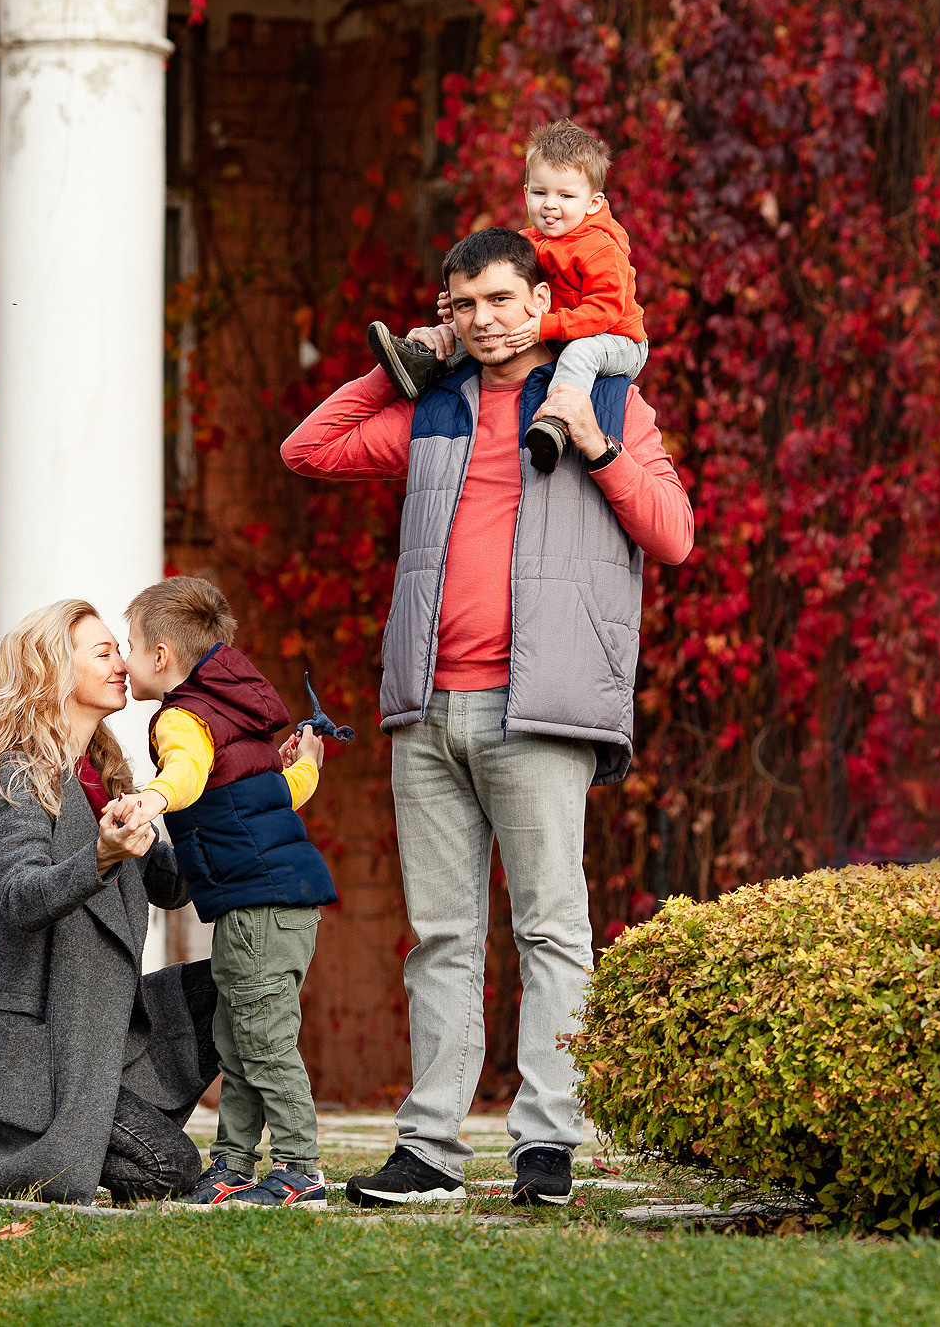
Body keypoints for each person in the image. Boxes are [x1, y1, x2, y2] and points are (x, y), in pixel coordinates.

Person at [283, 227, 694, 1208]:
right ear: (445, 315)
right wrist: (398, 369)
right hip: (427, 712)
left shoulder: (604, 403)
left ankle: (545, 1143)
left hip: (539, 707)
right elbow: (309, 449)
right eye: (461, 306)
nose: (482, 320)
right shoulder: (433, 411)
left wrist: (595, 448)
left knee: (551, 930)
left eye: (500, 301)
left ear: (540, 305)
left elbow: (672, 534)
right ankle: (428, 1151)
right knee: (440, 938)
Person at [0, 599, 222, 1205]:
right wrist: (101, 855)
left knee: (239, 985)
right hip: (34, 1057)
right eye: (103, 652)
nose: (123, 662)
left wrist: (233, 787)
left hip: (101, 1035)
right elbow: (21, 895)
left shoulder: (102, 778)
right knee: (172, 1169)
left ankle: (111, 1122)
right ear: (53, 673)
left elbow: (173, 885)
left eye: (120, 649)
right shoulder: (18, 775)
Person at [115, 577, 338, 1207]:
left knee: (263, 1043)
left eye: (130, 645)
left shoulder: (182, 719)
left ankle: (300, 1166)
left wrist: (154, 796)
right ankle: (235, 1163)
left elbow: (184, 774)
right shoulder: (236, 717)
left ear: (161, 657)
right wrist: (309, 768)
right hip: (269, 905)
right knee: (237, 1040)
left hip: (260, 907)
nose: (125, 659)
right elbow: (275, 797)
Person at [368, 120, 648, 477]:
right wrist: (458, 307)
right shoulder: (529, 241)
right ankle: (424, 363)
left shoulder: (600, 249)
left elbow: (606, 311)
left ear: (594, 202)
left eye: (566, 196)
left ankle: (558, 422)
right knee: (489, 325)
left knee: (581, 351)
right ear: (525, 191)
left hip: (617, 340)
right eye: (540, 193)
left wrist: (548, 325)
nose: (550, 206)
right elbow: (499, 294)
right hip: (561, 329)